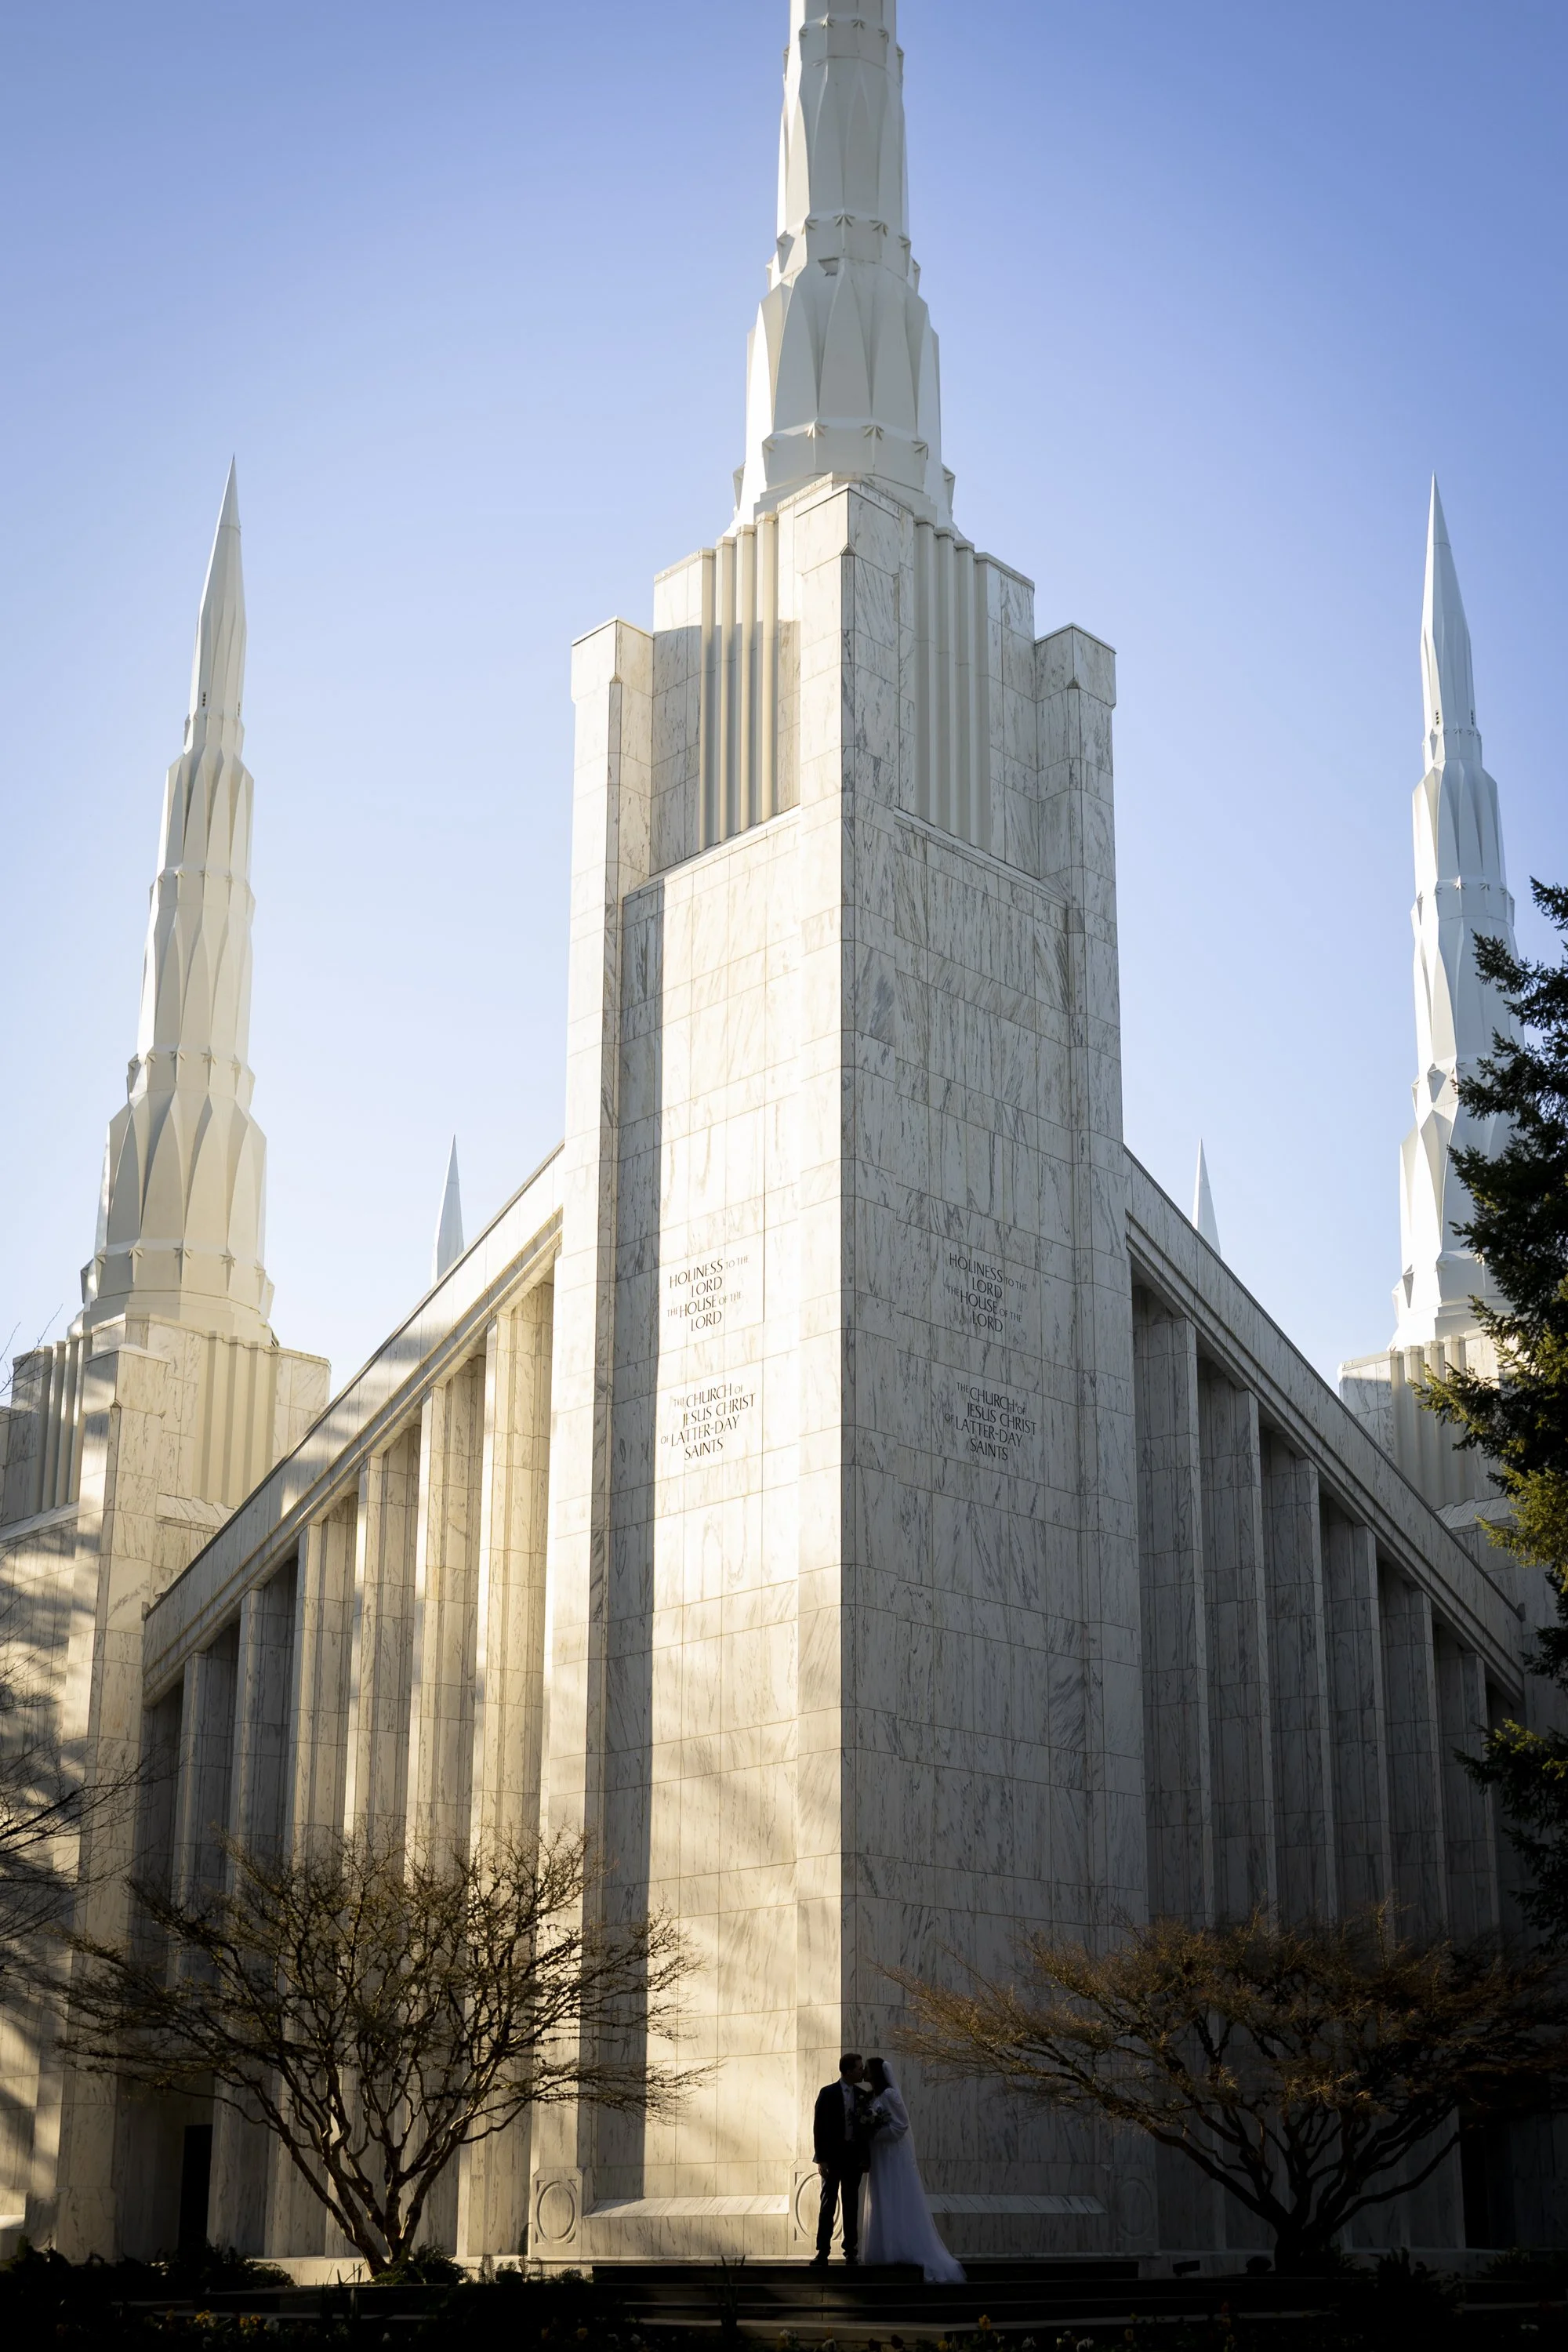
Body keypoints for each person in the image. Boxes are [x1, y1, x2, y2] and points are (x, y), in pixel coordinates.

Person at [858, 2056, 965, 2282]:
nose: (864, 2073)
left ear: (876, 2072)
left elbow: (901, 2124)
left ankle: (902, 2247)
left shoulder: (889, 2095)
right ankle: (885, 2247)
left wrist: (876, 2133)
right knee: (881, 2197)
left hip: (890, 2154)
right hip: (879, 2156)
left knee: (894, 2195)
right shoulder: (872, 2097)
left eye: (866, 2069)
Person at [811, 2052, 875, 2266]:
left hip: (853, 2160)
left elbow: (866, 2131)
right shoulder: (827, 2093)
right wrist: (821, 2159)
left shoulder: (862, 2095)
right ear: (848, 2071)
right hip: (832, 2159)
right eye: (859, 2068)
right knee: (828, 2205)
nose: (862, 2072)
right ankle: (823, 2251)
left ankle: (851, 2251)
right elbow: (818, 2128)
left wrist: (865, 2159)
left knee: (851, 2205)